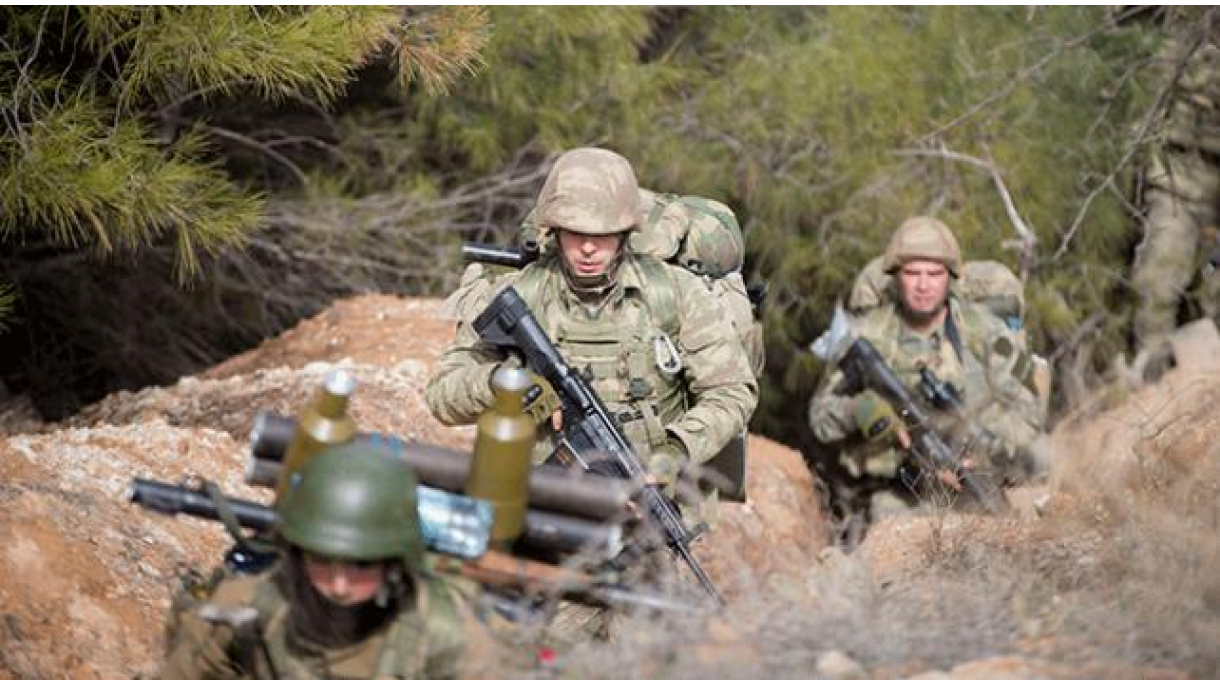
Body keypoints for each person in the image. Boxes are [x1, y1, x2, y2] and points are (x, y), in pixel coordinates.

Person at [426, 147, 757, 509]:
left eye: (603, 234)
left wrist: (674, 452)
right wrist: (503, 384)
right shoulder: (517, 293)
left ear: (625, 232)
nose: (587, 248)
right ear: (555, 230)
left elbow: (731, 391)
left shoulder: (675, 293)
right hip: (534, 494)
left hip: (643, 503)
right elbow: (442, 395)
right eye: (575, 233)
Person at [160, 444, 480, 679]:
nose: (339, 584)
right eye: (321, 560)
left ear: (394, 561)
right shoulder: (243, 607)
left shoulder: (441, 636)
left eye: (361, 565)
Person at [809, 217, 1046, 525]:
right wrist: (858, 410)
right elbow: (820, 416)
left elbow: (1029, 413)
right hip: (893, 495)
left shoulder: (990, 332)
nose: (923, 285)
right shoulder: (865, 336)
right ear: (896, 276)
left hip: (979, 481)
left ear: (951, 277)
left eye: (934, 274)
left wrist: (985, 448)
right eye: (912, 273)